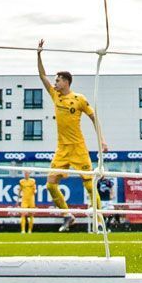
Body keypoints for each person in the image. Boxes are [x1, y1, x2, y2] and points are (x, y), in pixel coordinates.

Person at [36, 39, 108, 232]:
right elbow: (42, 75)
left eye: (58, 80)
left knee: (90, 185)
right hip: (62, 149)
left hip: (78, 148)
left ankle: (100, 223)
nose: (55, 83)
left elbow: (94, 117)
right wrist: (39, 54)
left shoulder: (79, 99)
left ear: (66, 82)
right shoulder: (55, 95)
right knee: (50, 185)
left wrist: (101, 139)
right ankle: (68, 216)